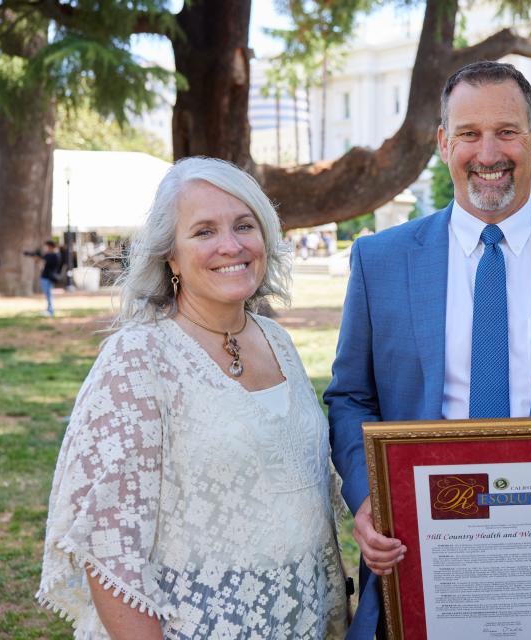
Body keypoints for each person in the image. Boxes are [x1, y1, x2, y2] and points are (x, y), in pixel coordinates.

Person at [324, 61, 531, 638]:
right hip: (422, 552)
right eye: (469, 134)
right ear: (443, 143)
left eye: (506, 131)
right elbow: (352, 396)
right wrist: (364, 499)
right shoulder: (380, 261)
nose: (488, 152)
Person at [37, 157, 348, 639]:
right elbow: (109, 549)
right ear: (171, 256)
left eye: (244, 225)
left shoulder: (277, 341)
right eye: (204, 231)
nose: (231, 245)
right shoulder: (138, 358)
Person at [35, 240, 61, 316]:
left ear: (50, 246)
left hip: (48, 277)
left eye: (47, 246)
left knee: (48, 294)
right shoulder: (52, 255)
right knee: (48, 294)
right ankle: (49, 310)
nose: (45, 248)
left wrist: (40, 259)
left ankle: (50, 310)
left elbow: (43, 264)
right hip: (47, 276)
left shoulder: (53, 255)